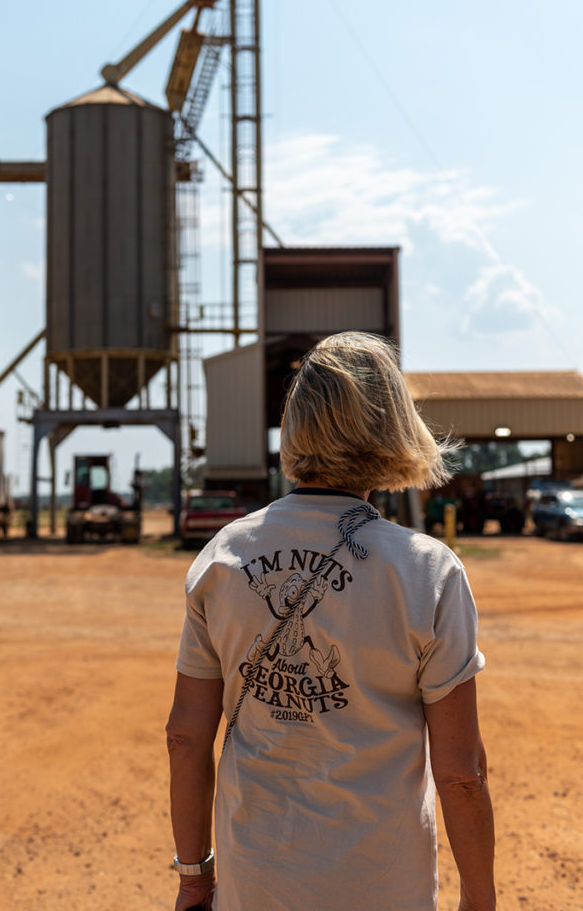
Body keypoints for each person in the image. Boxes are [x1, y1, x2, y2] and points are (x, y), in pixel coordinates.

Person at [166, 332, 495, 911]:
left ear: (296, 426)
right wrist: (481, 900)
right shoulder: (428, 572)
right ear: (391, 424)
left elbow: (187, 737)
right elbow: (462, 773)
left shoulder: (222, 557)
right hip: (386, 887)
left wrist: (195, 877)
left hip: (256, 883)